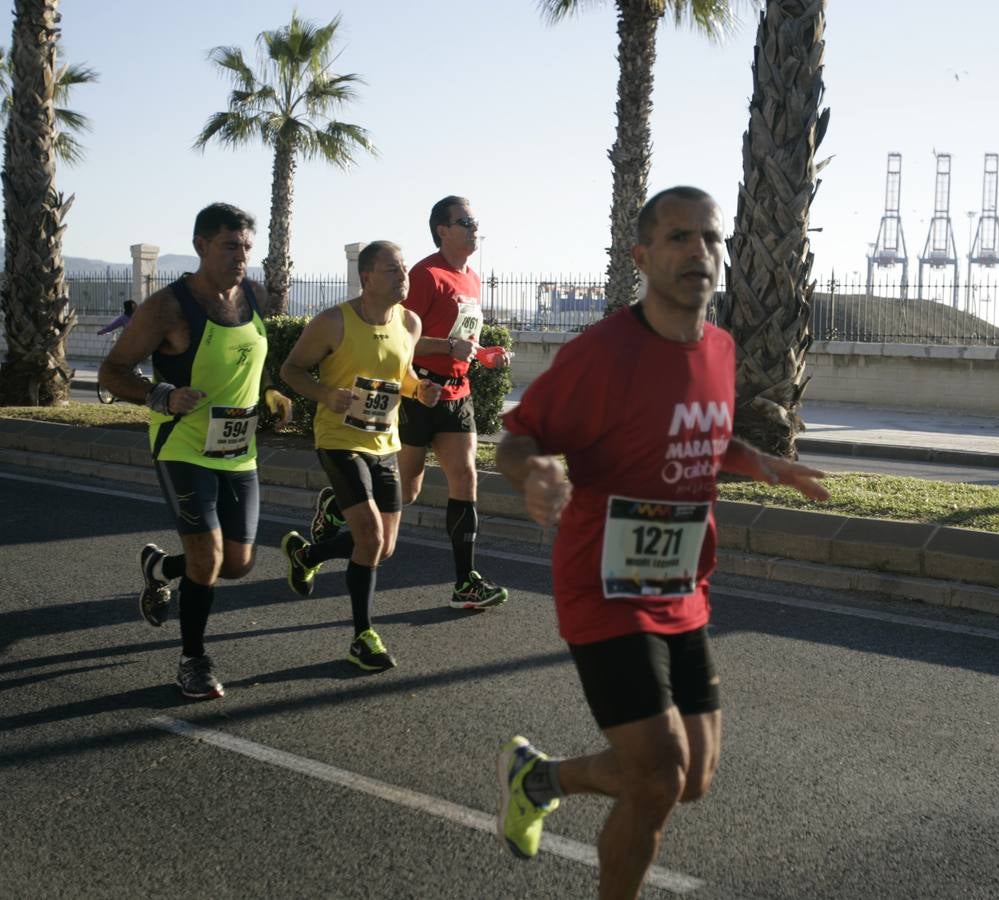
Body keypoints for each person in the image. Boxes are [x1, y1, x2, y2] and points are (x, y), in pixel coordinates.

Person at [492, 186, 830, 900]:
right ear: (642, 256)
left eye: (710, 239)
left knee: (692, 779)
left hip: (681, 587)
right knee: (656, 775)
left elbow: (696, 427)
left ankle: (539, 778)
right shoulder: (603, 353)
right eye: (678, 238)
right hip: (605, 587)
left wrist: (755, 461)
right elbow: (517, 437)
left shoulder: (720, 348)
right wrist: (536, 471)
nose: (698, 253)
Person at [98, 203, 292, 701]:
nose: (241, 256)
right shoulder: (168, 306)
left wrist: (269, 391)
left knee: (238, 563)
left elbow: (253, 355)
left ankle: (160, 569)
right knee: (207, 556)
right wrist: (162, 396)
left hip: (237, 449)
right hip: (181, 445)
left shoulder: (255, 294)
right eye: (230, 245)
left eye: (247, 246)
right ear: (201, 245)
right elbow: (112, 372)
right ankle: (193, 660)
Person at [310, 195, 512, 610]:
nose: (475, 228)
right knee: (406, 495)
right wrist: (443, 354)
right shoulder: (423, 274)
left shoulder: (472, 278)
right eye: (467, 221)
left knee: (466, 478)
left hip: (457, 393)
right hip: (418, 391)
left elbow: (462, 341)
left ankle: (465, 582)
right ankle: (328, 522)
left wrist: (480, 353)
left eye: (476, 221)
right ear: (443, 229)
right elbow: (402, 340)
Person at [279, 241, 440, 671]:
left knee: (383, 548)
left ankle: (308, 555)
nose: (403, 276)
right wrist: (325, 394)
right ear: (366, 277)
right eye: (392, 269)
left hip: (385, 442)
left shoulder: (410, 322)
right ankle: (362, 636)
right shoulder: (333, 322)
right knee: (369, 538)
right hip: (339, 439)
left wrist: (419, 389)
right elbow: (291, 370)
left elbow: (400, 374)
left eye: (404, 268)